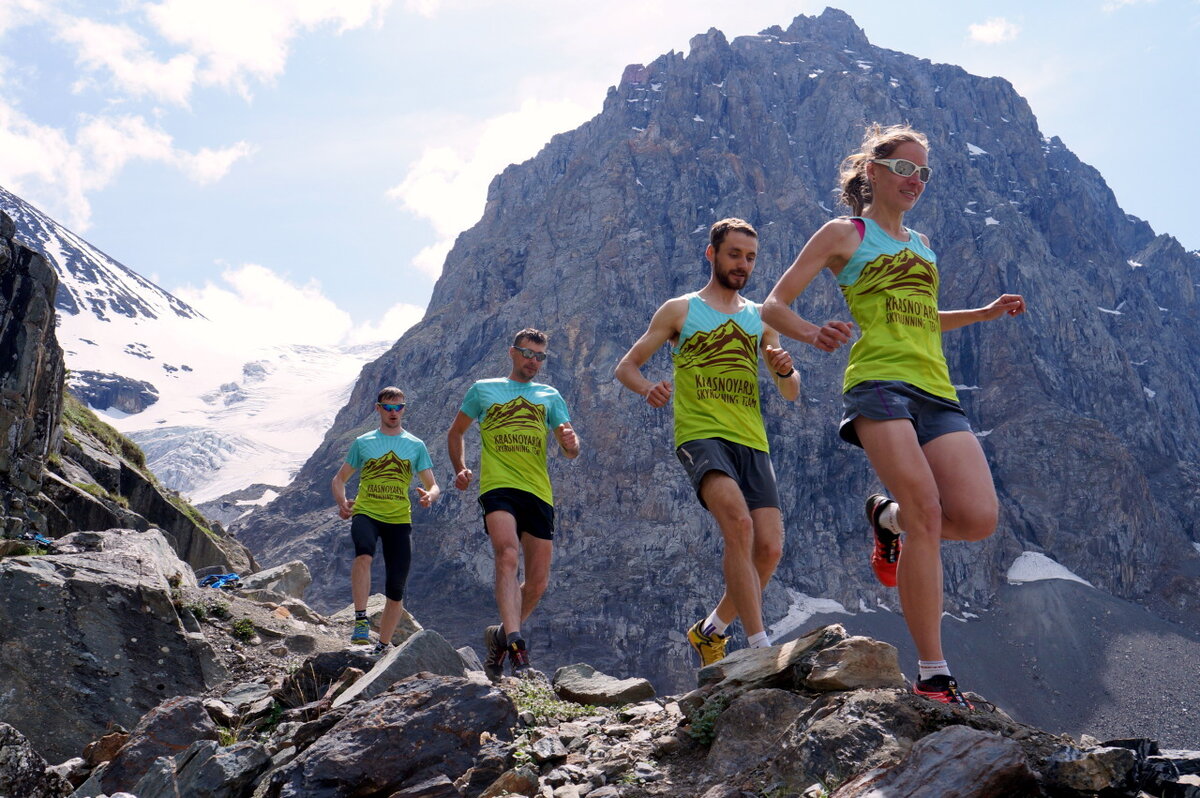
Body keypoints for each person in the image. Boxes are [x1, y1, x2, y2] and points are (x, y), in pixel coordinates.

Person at [761, 124, 1026, 707]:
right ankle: (933, 673)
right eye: (905, 168)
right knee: (930, 512)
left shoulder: (924, 246)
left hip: (935, 390)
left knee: (978, 517)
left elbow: (921, 316)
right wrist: (811, 332)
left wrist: (980, 314)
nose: (916, 181)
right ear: (873, 171)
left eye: (924, 173)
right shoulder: (845, 233)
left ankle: (888, 521)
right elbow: (775, 304)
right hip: (878, 386)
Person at [615, 218, 800, 666]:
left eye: (750, 257)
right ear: (712, 254)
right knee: (738, 525)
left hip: (751, 439)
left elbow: (792, 391)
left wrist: (783, 369)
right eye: (734, 254)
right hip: (700, 435)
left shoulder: (760, 318)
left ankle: (711, 630)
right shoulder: (680, 310)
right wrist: (647, 388)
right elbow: (627, 366)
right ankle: (759, 648)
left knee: (770, 548)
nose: (743, 265)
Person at [447, 328, 581, 679]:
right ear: (512, 352)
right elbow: (456, 432)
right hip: (498, 486)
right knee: (506, 555)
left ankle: (501, 636)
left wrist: (570, 441)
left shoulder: (549, 395)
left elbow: (570, 451)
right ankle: (518, 646)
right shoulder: (483, 390)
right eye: (527, 353)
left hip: (538, 491)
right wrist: (460, 468)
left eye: (540, 356)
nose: (533, 361)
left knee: (537, 583)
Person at [331, 386, 440, 654]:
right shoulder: (363, 442)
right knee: (363, 555)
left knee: (396, 589)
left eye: (399, 407)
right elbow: (339, 479)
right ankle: (360, 621)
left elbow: (433, 485)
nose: (394, 413)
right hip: (366, 511)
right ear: (378, 408)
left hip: (399, 519)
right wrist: (342, 502)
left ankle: (382, 646)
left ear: (404, 409)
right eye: (388, 408)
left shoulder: (415, 445)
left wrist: (429, 496)